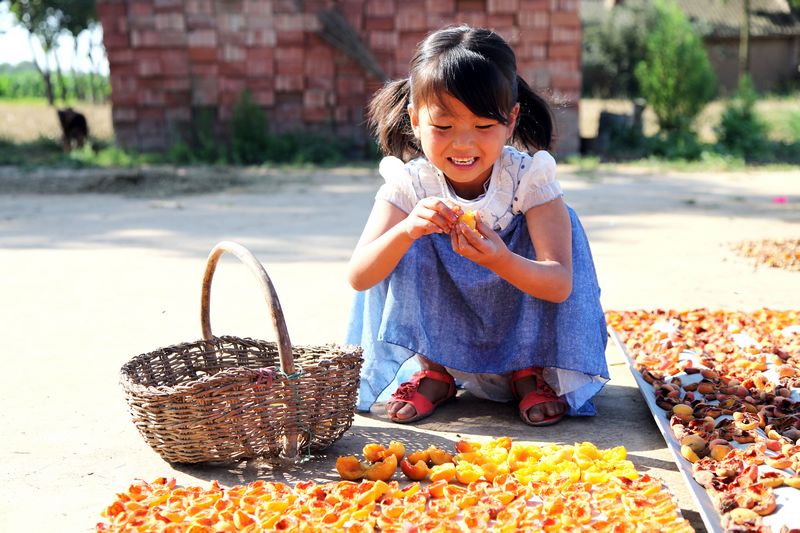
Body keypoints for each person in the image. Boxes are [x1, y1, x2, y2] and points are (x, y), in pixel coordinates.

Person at [345, 25, 608, 426]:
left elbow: (559, 283)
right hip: (444, 323)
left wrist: (501, 259)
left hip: (518, 314)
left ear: (511, 119)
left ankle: (526, 371)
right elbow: (360, 276)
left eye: (483, 127)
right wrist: (407, 231)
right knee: (408, 237)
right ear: (415, 120)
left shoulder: (528, 180)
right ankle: (435, 372)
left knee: (558, 223)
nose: (463, 144)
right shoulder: (410, 184)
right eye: (444, 127)